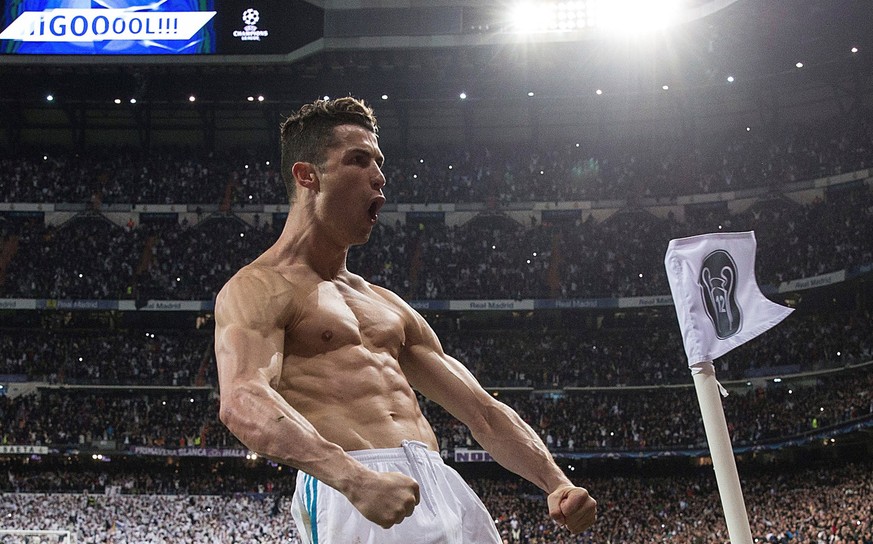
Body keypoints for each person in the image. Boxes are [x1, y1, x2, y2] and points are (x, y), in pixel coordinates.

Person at [214, 96, 596, 543]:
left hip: (437, 482)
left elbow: (484, 413)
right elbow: (242, 400)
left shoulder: (386, 304)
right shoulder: (259, 286)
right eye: (358, 160)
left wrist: (556, 482)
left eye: (379, 161)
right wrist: (352, 477)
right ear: (307, 175)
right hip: (353, 485)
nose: (379, 176)